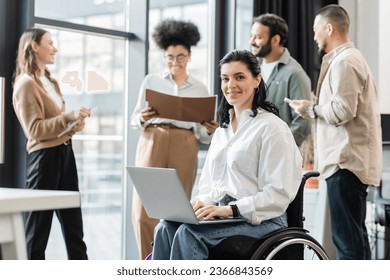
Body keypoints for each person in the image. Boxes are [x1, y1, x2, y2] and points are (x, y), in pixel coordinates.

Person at [151, 49, 303, 260]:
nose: (230, 85)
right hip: (224, 215)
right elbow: (210, 184)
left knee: (189, 234)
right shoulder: (222, 130)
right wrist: (201, 202)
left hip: (263, 220)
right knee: (165, 228)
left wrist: (231, 210)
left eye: (239, 77)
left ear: (257, 80)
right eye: (225, 78)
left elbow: (277, 194)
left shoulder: (272, 128)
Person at [289, 5, 382, 259]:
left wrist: (311, 110)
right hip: (350, 163)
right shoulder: (351, 59)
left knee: (347, 243)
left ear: (329, 28)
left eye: (315, 30)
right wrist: (314, 108)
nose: (314, 37)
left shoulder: (345, 62)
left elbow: (342, 111)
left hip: (345, 163)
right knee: (355, 239)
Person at [130, 19, 218, 259]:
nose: (174, 62)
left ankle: (172, 262)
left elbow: (203, 135)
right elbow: (134, 120)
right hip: (152, 139)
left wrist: (210, 129)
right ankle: (147, 263)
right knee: (142, 210)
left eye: (180, 57)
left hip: (185, 143)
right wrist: (143, 117)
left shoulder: (200, 88)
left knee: (178, 208)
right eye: (169, 57)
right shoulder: (151, 81)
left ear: (189, 56)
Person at [12, 28, 90, 259]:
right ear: (34, 46)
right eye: (50, 42)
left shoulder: (50, 82)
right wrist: (68, 117)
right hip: (44, 160)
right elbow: (34, 130)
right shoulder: (26, 84)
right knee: (37, 234)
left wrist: (73, 125)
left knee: (74, 229)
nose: (55, 48)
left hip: (65, 154)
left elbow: (55, 125)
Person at [249, 13, 311, 147]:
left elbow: (303, 120)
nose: (251, 41)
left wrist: (282, 147)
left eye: (258, 37)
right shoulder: (251, 70)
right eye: (252, 36)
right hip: (253, 150)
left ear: (275, 40)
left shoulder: (295, 73)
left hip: (280, 155)